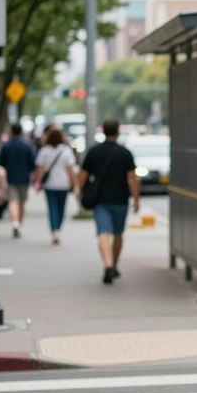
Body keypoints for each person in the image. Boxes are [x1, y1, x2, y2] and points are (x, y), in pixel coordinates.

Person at [78, 119, 140, 284]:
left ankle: (108, 264)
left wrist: (80, 192)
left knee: (103, 232)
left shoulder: (94, 152)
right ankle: (115, 264)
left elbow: (83, 175)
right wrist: (136, 198)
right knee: (118, 233)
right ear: (118, 131)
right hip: (120, 199)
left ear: (103, 131)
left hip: (100, 201)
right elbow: (132, 178)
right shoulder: (125, 153)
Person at [34, 126, 79, 245]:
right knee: (61, 209)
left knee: (52, 208)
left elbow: (40, 169)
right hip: (63, 184)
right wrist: (75, 184)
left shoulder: (44, 150)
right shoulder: (66, 151)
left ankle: (54, 231)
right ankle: (57, 230)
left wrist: (38, 183)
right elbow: (71, 170)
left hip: (49, 185)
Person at [0, 123, 37, 238]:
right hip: (24, 178)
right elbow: (32, 164)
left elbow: (1, 163)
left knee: (12, 201)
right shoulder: (27, 146)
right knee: (22, 202)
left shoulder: (6, 146)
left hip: (11, 178)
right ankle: (19, 222)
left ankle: (15, 223)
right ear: (21, 131)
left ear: (12, 131)